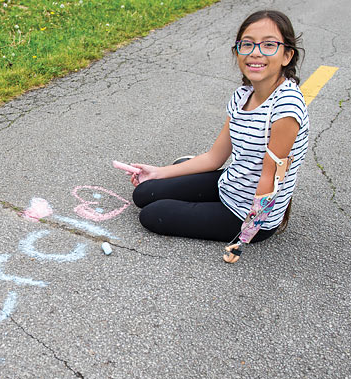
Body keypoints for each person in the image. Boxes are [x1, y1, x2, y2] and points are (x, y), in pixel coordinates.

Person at [128, 10, 309, 263]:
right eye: (247, 44)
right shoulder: (243, 94)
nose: (255, 52)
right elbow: (215, 157)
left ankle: (189, 172)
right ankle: (184, 169)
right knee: (144, 192)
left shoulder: (286, 107)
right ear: (237, 51)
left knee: (152, 215)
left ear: (287, 55)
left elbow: (271, 181)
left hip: (248, 213)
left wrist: (244, 238)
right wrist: (157, 171)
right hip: (230, 184)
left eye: (269, 45)